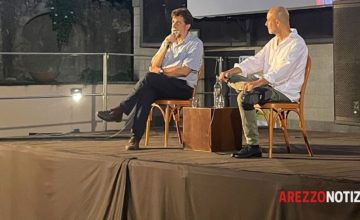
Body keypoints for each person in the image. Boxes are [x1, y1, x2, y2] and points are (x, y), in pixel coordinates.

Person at [98, 8, 203, 150]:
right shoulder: (169, 41)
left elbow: (184, 71)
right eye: (173, 22)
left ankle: (120, 110)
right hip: (163, 84)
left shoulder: (195, 44)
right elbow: (153, 64)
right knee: (146, 92)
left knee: (149, 79)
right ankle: (134, 138)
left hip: (183, 88)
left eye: (178, 23)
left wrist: (161, 72)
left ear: (187, 26)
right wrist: (166, 44)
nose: (174, 25)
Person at [219, 6, 308, 158]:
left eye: (268, 21)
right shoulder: (273, 42)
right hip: (266, 86)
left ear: (278, 22)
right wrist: (231, 71)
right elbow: (256, 61)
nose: (266, 24)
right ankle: (248, 89)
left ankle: (253, 146)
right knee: (231, 78)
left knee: (244, 98)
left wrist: (256, 83)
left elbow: (281, 73)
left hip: (284, 91)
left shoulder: (297, 44)